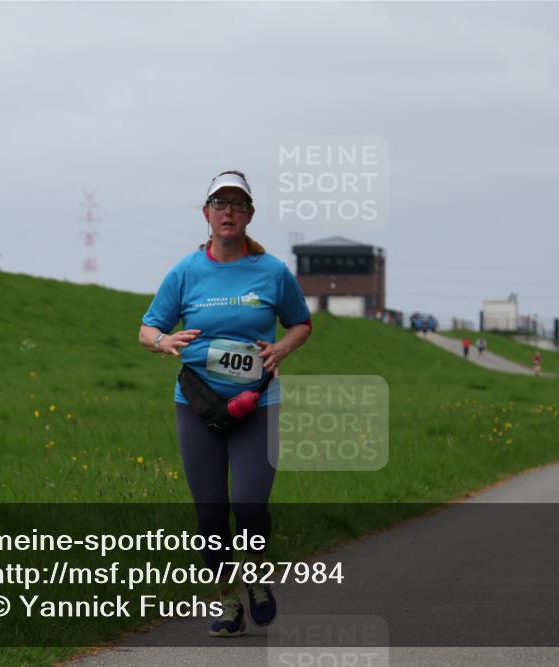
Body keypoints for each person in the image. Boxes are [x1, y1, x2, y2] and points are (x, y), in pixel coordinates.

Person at [138, 170, 311, 638]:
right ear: (206, 214)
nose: (228, 211)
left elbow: (301, 322)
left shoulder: (272, 271)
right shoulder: (185, 272)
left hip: (259, 402)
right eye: (220, 203)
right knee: (211, 510)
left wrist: (283, 348)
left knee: (249, 504)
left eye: (237, 204)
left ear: (250, 215)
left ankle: (255, 574)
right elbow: (147, 329)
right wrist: (164, 341)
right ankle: (228, 600)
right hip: (197, 404)